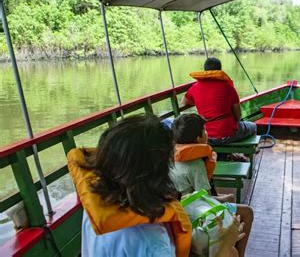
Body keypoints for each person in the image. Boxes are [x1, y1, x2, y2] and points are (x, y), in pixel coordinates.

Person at [67, 114, 243, 256]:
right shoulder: (153, 244)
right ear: (158, 172)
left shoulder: (99, 203)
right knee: (232, 248)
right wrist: (225, 247)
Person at [170, 113, 254, 257]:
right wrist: (224, 198)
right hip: (193, 214)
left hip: (180, 207)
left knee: (229, 200)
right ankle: (236, 254)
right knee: (247, 212)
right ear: (199, 137)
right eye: (204, 130)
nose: (206, 133)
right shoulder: (195, 164)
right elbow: (205, 199)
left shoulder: (171, 156)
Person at [181, 57, 256, 147]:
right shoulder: (228, 87)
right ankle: (247, 152)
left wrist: (198, 101)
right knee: (253, 126)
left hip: (205, 136)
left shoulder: (195, 87)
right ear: (220, 71)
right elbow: (238, 116)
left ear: (205, 71)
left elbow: (183, 102)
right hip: (227, 135)